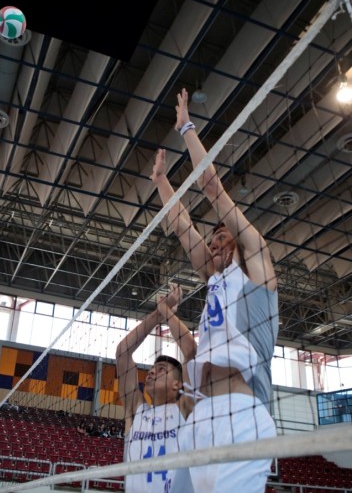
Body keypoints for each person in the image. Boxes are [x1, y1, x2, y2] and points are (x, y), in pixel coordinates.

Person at [151, 88, 278, 493]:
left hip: (240, 415)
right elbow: (182, 225)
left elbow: (210, 186)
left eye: (222, 236)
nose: (215, 242)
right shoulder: (214, 279)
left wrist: (185, 127)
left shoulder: (257, 265)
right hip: (200, 416)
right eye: (213, 239)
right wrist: (160, 182)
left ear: (238, 241)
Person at [116, 284, 196, 493]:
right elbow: (123, 352)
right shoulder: (135, 410)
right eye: (151, 369)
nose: (151, 372)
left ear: (177, 384)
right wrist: (158, 314)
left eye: (161, 369)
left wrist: (166, 311)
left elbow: (190, 351)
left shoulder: (186, 408)